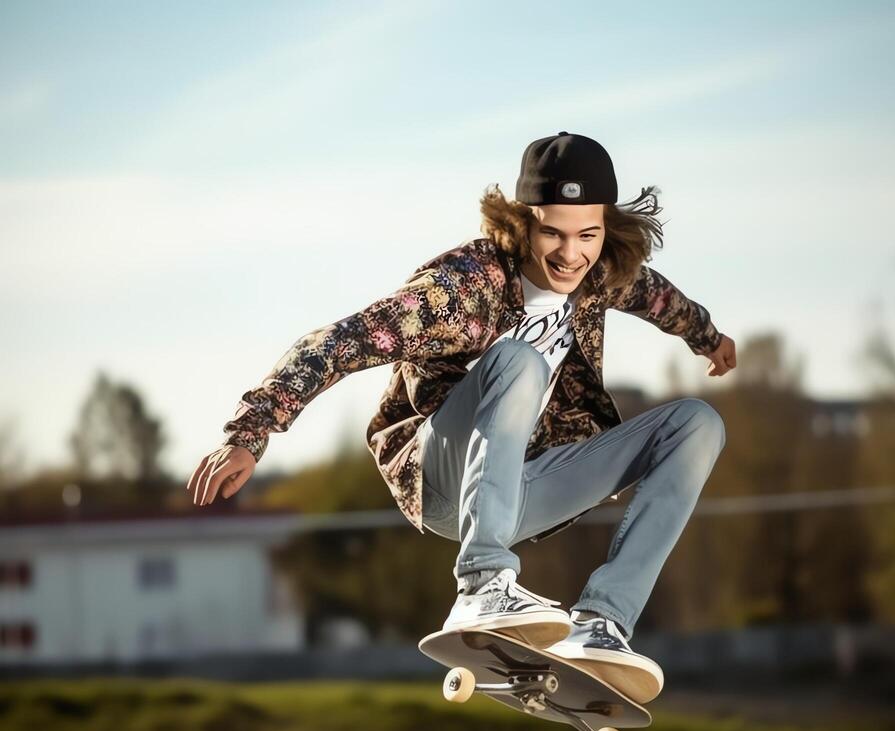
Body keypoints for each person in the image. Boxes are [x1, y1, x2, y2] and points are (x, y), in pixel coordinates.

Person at [187, 132, 736, 701]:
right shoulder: (462, 288)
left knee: (697, 425)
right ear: (523, 223)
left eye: (587, 236)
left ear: (606, 231)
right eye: (551, 233)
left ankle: (602, 623)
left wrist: (708, 337)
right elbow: (339, 341)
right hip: (441, 478)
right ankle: (483, 585)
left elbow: (657, 297)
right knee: (518, 361)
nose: (570, 255)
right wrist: (250, 432)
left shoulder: (600, 274)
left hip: (526, 490)